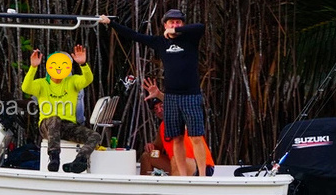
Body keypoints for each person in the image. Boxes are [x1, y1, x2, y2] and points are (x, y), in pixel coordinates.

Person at [99, 10, 208, 177]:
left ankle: (202, 176)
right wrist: (111, 23)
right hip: (171, 96)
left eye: (178, 23)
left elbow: (200, 27)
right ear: (164, 25)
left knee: (196, 136)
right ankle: (184, 177)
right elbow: (134, 35)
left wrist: (176, 31)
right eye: (171, 22)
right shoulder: (160, 42)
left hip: (190, 95)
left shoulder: (190, 39)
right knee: (176, 139)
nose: (174, 25)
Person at [21, 45, 100, 173]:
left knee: (95, 135)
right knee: (54, 119)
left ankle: (79, 161)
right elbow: (26, 87)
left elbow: (88, 79)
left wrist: (83, 64)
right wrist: (33, 67)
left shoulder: (72, 82)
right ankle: (54, 157)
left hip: (67, 126)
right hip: (47, 125)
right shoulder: (42, 84)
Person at [141, 79, 215, 177]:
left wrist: (159, 95)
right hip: (176, 164)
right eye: (156, 109)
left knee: (177, 160)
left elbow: (178, 103)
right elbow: (157, 146)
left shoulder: (184, 116)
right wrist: (151, 147)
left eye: (162, 106)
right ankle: (146, 188)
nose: (159, 110)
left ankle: (177, 188)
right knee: (147, 156)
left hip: (200, 165)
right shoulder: (163, 127)